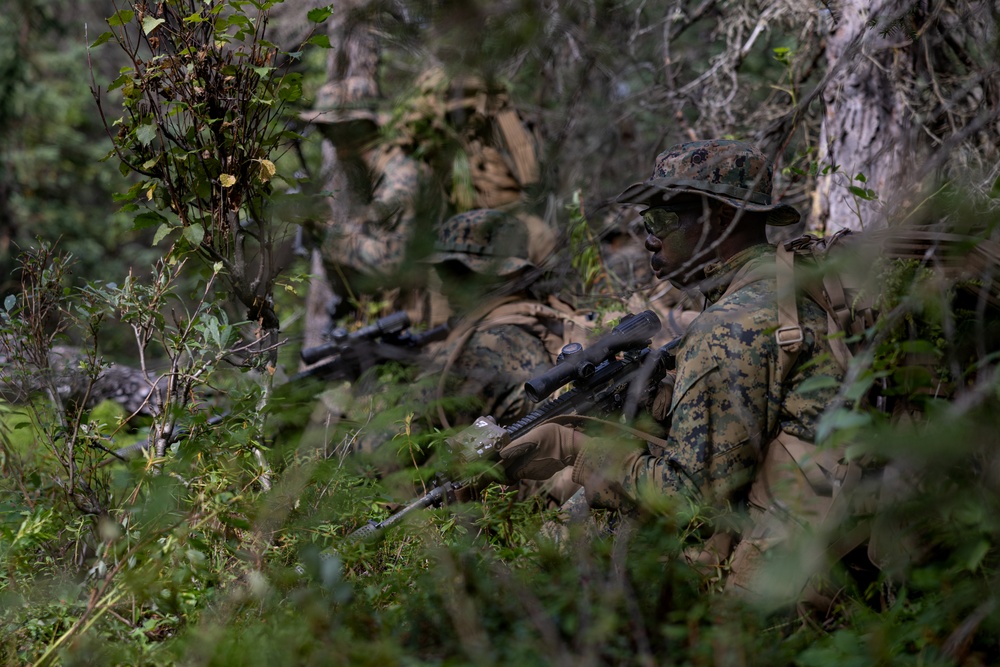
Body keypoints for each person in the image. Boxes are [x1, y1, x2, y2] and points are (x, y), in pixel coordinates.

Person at [497, 139, 850, 609]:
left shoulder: (730, 324)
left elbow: (687, 499)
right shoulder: (781, 281)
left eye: (664, 218)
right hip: (821, 512)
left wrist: (579, 453)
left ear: (722, 218)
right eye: (647, 221)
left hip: (792, 559)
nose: (649, 236)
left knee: (590, 523)